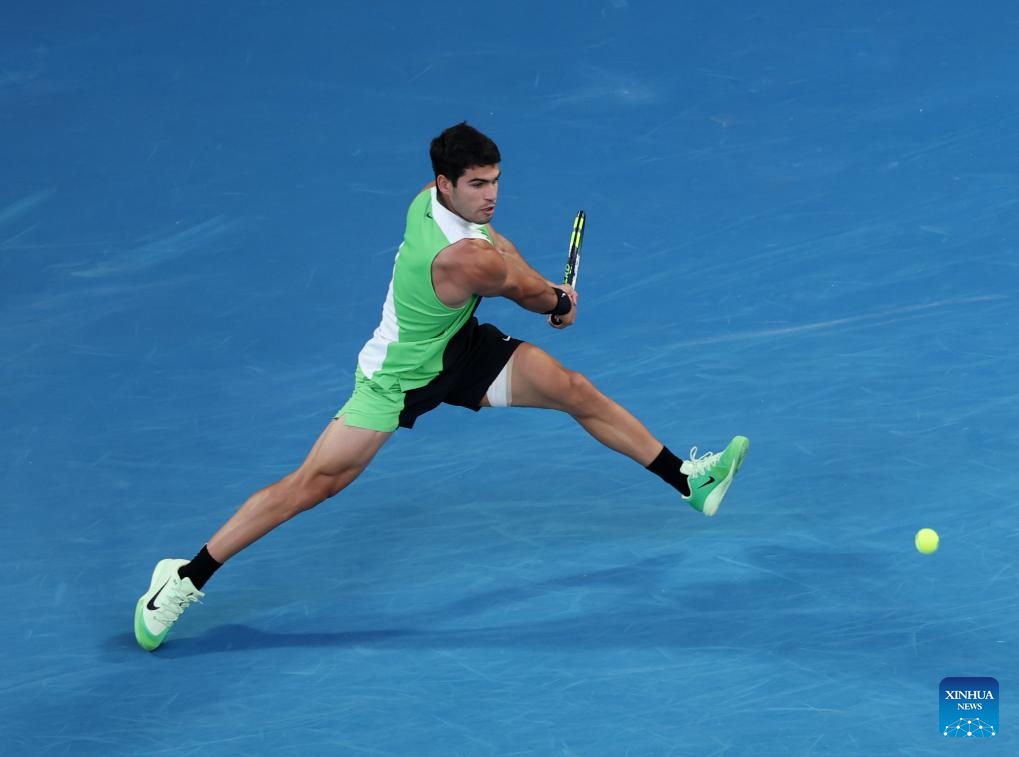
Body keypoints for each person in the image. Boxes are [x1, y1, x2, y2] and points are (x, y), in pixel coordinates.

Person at [134, 122, 749, 652]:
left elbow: (503, 251)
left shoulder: (435, 204)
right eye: (477, 185)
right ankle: (183, 579)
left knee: (572, 389)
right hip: (397, 379)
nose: (491, 195)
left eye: (496, 181)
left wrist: (547, 291)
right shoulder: (458, 258)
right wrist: (559, 302)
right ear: (445, 184)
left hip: (458, 347)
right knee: (312, 486)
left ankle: (687, 479)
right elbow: (518, 285)